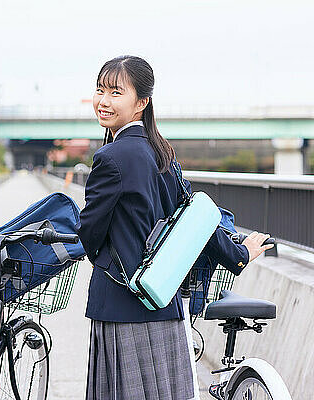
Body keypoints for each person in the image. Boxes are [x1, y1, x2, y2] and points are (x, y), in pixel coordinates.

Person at [76, 55, 273, 400]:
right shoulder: (161, 152)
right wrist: (239, 254)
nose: (104, 101)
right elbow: (195, 221)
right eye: (99, 90)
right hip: (164, 300)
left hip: (121, 303)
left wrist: (102, 252)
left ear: (141, 102)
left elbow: (89, 234)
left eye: (115, 92)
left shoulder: (111, 157)